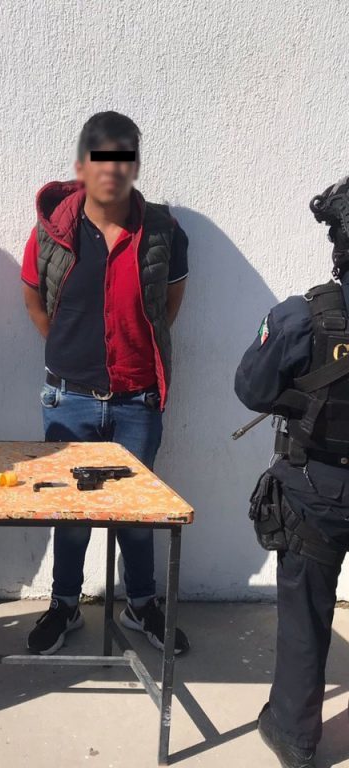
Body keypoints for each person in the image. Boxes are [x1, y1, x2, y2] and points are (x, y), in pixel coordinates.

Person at [21, 111, 190, 655]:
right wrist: (71, 352)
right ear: (82, 165)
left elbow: (168, 306)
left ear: (134, 166)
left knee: (136, 514)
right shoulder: (53, 231)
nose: (112, 169)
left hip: (138, 399)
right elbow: (34, 299)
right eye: (102, 158)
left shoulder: (163, 232)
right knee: (71, 516)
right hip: (68, 399)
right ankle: (64, 606)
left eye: (123, 158)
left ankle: (141, 605)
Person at [235, 176, 349, 768]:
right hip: (318, 486)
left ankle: (295, 736)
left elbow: (251, 389)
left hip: (318, 489)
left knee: (305, 617)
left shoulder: (303, 318)